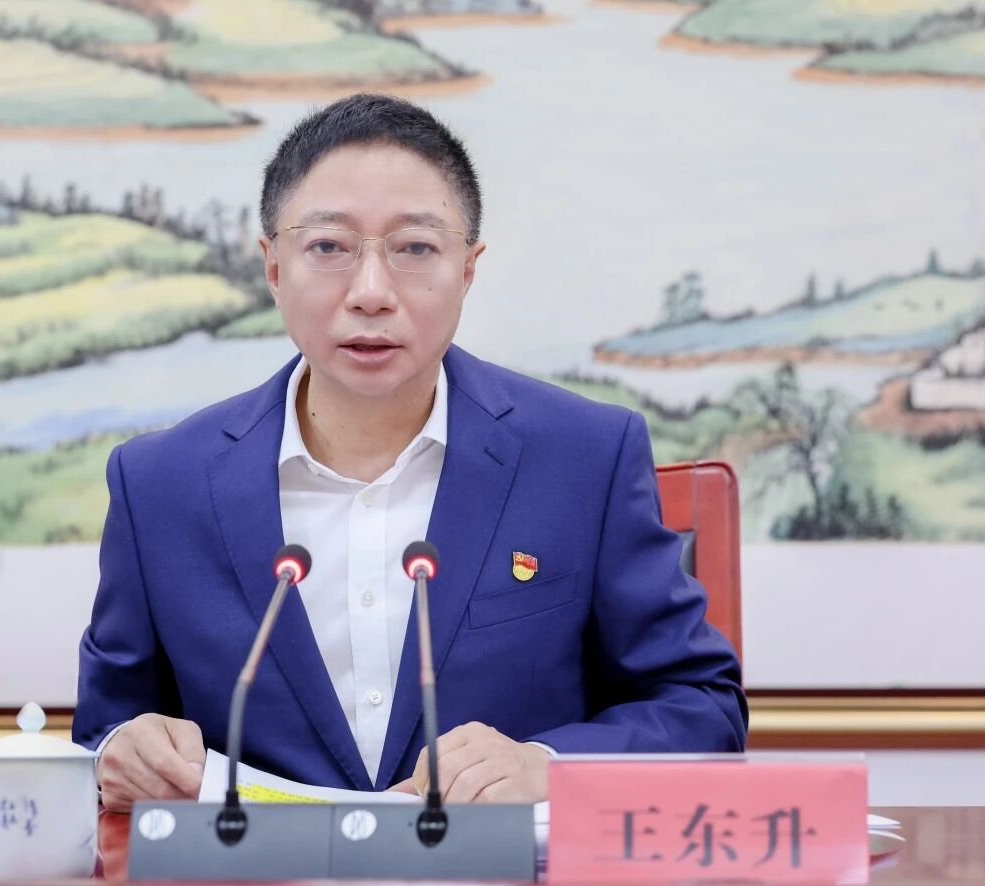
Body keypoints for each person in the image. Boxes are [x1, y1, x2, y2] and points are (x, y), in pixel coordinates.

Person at [74, 93, 747, 813]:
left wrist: (548, 767)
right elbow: (104, 741)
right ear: (273, 266)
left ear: (468, 268)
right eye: (328, 247)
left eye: (416, 248)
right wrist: (119, 756)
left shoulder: (586, 457)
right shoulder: (158, 486)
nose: (371, 293)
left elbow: (703, 708)